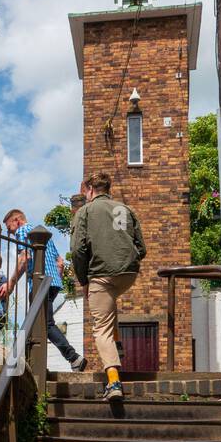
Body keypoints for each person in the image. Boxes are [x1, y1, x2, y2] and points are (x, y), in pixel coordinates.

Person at [71, 171, 145, 400]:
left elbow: (77, 250)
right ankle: (118, 344)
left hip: (101, 275)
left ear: (89, 190)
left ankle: (114, 383)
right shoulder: (124, 209)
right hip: (128, 273)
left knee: (100, 328)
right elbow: (140, 248)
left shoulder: (85, 211)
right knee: (109, 309)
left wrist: (84, 281)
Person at [0, 208, 87, 371]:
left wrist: (11, 284)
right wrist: (55, 279)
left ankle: (73, 358)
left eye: (9, 229)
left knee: (45, 324)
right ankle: (32, 363)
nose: (10, 234)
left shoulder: (23, 231)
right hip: (53, 284)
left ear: (17, 221)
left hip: (39, 284)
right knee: (35, 324)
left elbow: (24, 259)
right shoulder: (44, 235)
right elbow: (60, 263)